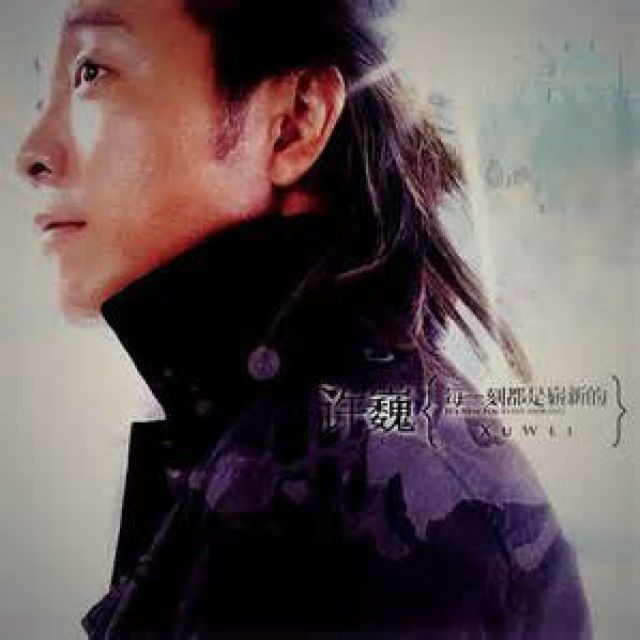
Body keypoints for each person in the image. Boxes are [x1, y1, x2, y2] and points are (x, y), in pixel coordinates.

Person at [16, 0, 592, 637]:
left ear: (294, 123)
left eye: (93, 71)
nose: (32, 152)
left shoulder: (351, 507)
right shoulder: (294, 451)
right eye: (46, 84)